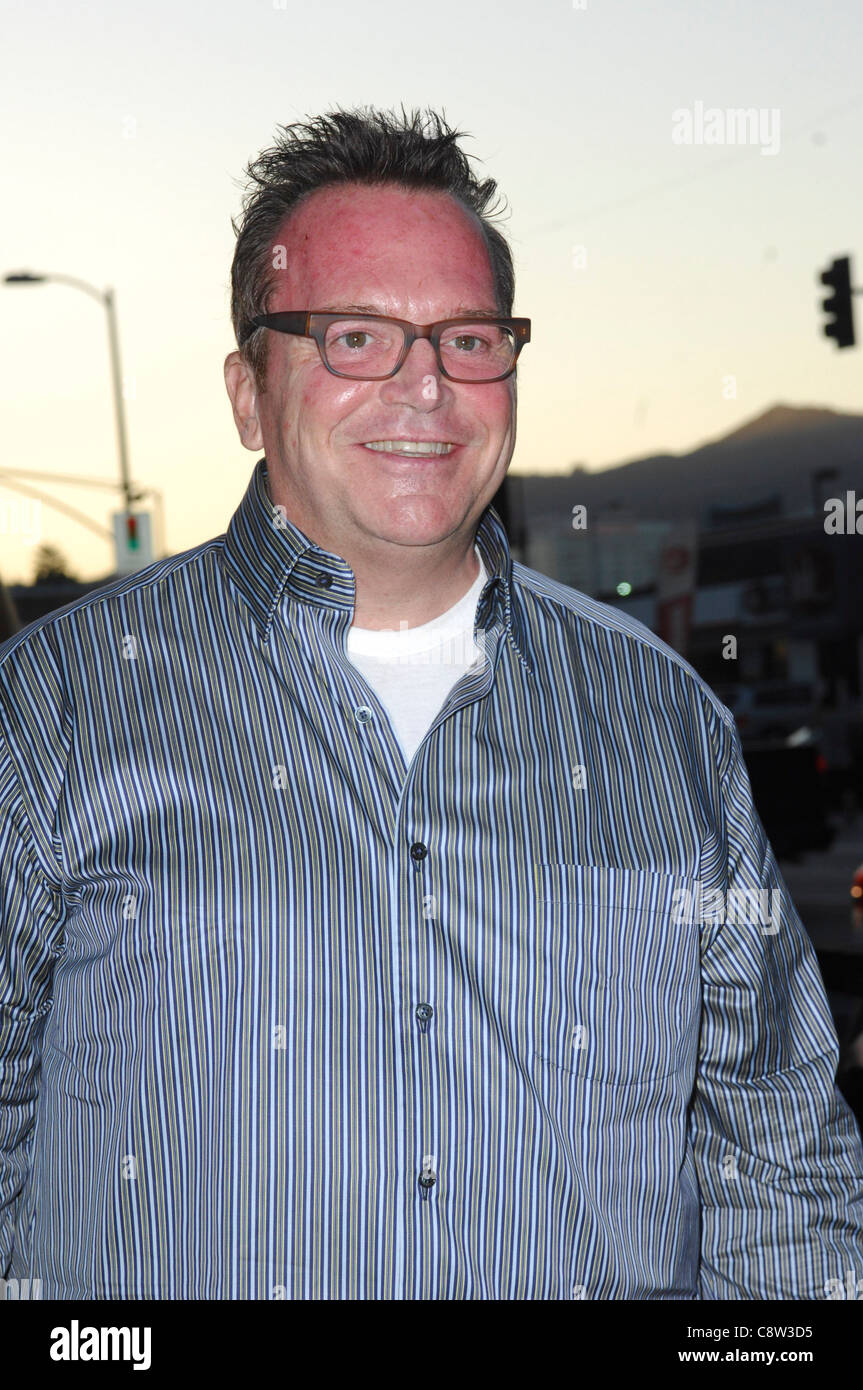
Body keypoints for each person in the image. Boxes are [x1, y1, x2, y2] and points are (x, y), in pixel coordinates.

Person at [1, 108, 862, 1301]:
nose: (424, 384)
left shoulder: (662, 720)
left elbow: (778, 1160)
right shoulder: (54, 705)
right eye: (354, 337)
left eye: (465, 338)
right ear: (248, 393)